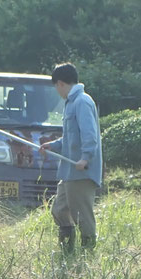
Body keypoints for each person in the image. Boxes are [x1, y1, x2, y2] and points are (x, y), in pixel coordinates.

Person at [39, 62, 102, 253]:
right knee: (59, 210)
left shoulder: (82, 101)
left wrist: (85, 158)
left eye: (56, 87)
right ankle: (67, 251)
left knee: (83, 215)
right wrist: (54, 145)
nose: (57, 91)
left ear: (60, 83)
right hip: (68, 171)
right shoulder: (71, 103)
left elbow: (90, 135)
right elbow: (71, 135)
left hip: (81, 171)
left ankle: (87, 254)